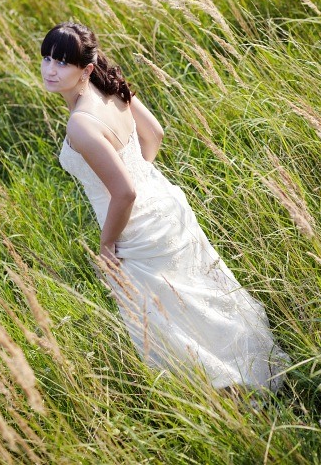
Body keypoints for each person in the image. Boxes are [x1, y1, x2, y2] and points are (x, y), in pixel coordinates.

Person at [41, 22, 289, 393]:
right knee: (197, 299)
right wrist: (143, 174)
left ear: (86, 69)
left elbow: (123, 193)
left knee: (169, 320)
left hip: (136, 229)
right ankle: (256, 367)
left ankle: (227, 390)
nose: (50, 70)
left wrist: (107, 247)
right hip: (165, 203)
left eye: (62, 62)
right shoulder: (109, 89)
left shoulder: (80, 125)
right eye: (46, 58)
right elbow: (154, 133)